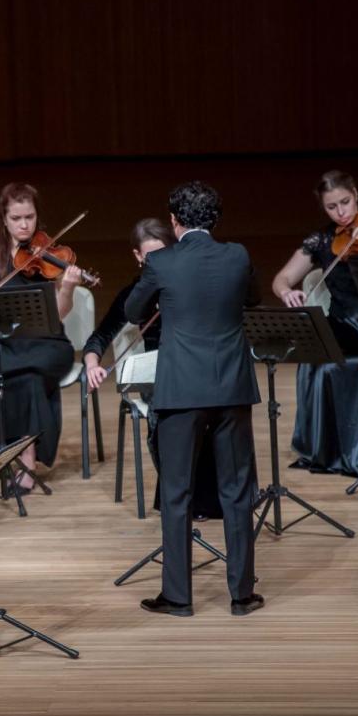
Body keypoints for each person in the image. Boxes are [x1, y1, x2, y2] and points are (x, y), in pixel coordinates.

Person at [125, 181, 263, 617]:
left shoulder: (160, 261)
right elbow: (254, 298)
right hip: (231, 386)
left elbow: (133, 312)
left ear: (174, 220)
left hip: (182, 388)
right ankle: (242, 595)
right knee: (237, 491)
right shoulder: (238, 255)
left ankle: (178, 597)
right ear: (216, 219)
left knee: (177, 492)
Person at [271, 171, 358, 478]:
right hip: (343, 324)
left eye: (345, 202)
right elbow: (281, 278)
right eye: (332, 207)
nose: (342, 213)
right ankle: (329, 450)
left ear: (356, 194)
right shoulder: (321, 240)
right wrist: (286, 292)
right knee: (316, 361)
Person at [84, 218, 221, 520]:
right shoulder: (135, 294)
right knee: (175, 411)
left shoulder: (191, 283)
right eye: (150, 257)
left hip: (194, 371)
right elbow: (99, 337)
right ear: (137, 257)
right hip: (159, 379)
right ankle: (183, 496)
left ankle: (216, 495)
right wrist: (92, 363)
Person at [0, 182, 81, 489]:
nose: (24, 224)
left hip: (48, 345)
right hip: (8, 343)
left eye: (30, 217)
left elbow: (60, 313)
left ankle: (27, 460)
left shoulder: (51, 257)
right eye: (17, 218)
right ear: (4, 219)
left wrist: (68, 287)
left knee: (29, 377)